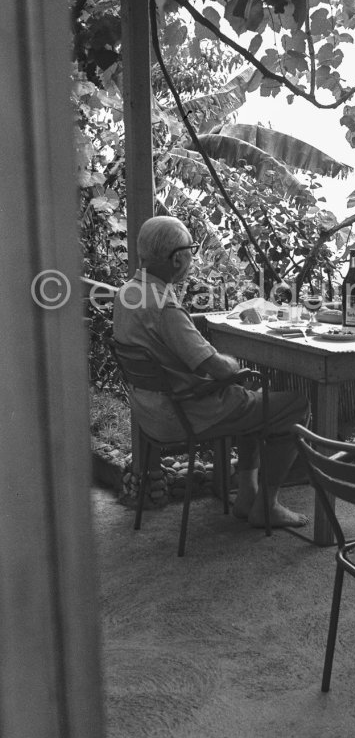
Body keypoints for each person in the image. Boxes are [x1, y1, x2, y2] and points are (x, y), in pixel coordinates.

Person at [113, 216, 311, 528]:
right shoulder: (164, 306)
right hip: (187, 413)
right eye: (191, 252)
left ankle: (248, 496)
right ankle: (266, 505)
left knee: (253, 400)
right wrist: (235, 365)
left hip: (149, 411)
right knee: (293, 406)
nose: (192, 259)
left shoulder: (127, 293)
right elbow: (217, 368)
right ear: (177, 259)